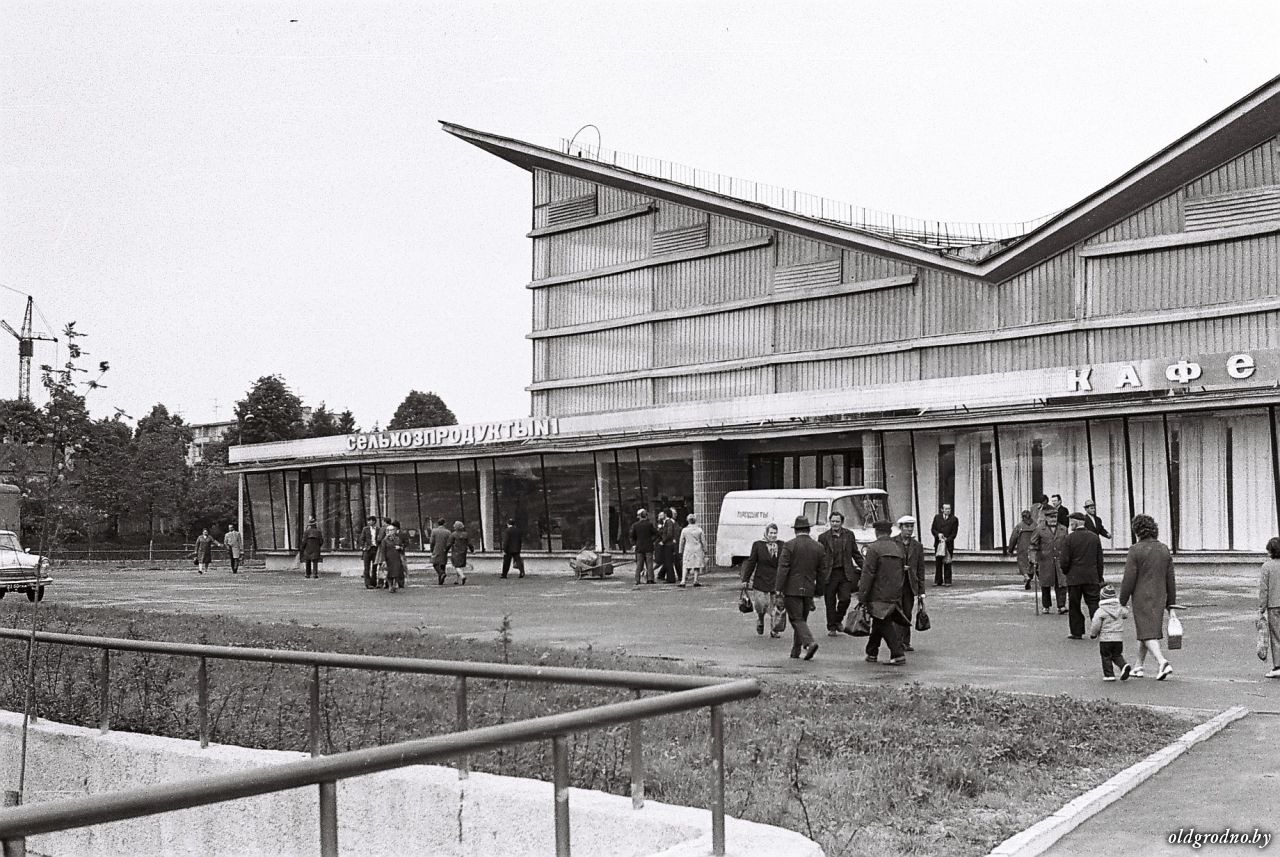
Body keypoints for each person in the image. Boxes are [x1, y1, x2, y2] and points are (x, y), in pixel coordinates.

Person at [1119, 514, 1177, 680]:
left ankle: (1162, 662)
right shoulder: (1164, 549)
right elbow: (1170, 579)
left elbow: (1129, 578)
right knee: (1146, 630)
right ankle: (1139, 666)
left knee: (1146, 632)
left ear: (1137, 531)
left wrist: (1122, 602)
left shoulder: (1135, 550)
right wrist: (1171, 604)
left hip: (1141, 596)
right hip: (1159, 595)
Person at [773, 515, 829, 661]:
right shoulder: (818, 547)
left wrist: (778, 589)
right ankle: (796, 651)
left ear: (795, 530)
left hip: (792, 589)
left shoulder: (789, 545)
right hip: (809, 588)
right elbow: (822, 571)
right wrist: (819, 590)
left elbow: (783, 569)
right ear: (808, 529)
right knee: (802, 619)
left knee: (796, 619)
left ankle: (809, 643)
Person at [859, 520, 909, 665]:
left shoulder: (873, 548)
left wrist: (862, 596)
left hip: (877, 593)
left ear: (876, 532)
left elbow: (867, 574)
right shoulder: (898, 549)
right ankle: (871, 652)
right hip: (894, 593)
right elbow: (902, 572)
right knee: (879, 620)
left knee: (883, 622)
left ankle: (898, 654)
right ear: (890, 532)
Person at [818, 511, 863, 636]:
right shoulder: (823, 537)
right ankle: (832, 627)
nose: (835, 524)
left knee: (845, 599)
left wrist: (865, 568)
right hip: (829, 573)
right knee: (830, 602)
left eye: (837, 521)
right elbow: (820, 557)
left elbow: (855, 554)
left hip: (845, 573)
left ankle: (838, 620)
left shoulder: (849, 535)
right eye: (833, 521)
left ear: (842, 522)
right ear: (830, 522)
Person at [1061, 512, 1104, 640]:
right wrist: (1099, 576)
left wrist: (1067, 572)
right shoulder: (1094, 537)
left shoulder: (1069, 538)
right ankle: (1098, 629)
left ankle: (1077, 631)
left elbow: (1064, 560)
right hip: (1091, 577)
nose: (1070, 525)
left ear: (1076, 522)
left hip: (1074, 578)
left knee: (1074, 605)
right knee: (1094, 603)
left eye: (1071, 522)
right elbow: (1099, 559)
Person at [740, 523, 782, 637]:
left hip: (775, 580)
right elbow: (751, 562)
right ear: (766, 533)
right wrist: (745, 579)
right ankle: (760, 619)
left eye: (775, 533)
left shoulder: (781, 545)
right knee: (761, 605)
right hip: (760, 580)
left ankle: (774, 630)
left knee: (775, 606)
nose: (773, 535)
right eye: (771, 533)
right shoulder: (758, 545)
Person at [893, 515, 927, 652]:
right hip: (896, 584)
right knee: (896, 613)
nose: (909, 529)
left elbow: (921, 569)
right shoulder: (893, 542)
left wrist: (921, 591)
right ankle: (897, 641)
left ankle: (906, 642)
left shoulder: (917, 546)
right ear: (900, 527)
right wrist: (900, 568)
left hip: (910, 585)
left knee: (907, 613)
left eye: (911, 526)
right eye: (907, 526)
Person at [1089, 583, 1131, 681]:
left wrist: (1093, 634)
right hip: (1118, 638)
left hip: (1105, 638)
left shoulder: (1100, 611)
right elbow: (1126, 614)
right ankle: (1123, 665)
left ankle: (1109, 674)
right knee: (1117, 655)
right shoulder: (1120, 609)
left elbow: (1096, 624)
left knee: (1106, 656)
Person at [1030, 508, 1068, 613]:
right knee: (1045, 584)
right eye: (1051, 517)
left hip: (1059, 560)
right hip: (1045, 561)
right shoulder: (1039, 529)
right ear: (1046, 518)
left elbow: (1067, 544)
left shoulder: (1063, 529)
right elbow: (1033, 545)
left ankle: (1061, 606)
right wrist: (1033, 558)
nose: (1053, 519)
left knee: (1061, 583)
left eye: (1055, 517)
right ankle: (1046, 606)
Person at [1258, 537, 1280, 678]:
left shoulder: (1267, 567)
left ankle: (1278, 666)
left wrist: (1262, 608)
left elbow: (1264, 589)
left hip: (1274, 605)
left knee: (1276, 636)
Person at [1007, 510, 1037, 590]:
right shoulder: (1036, 525)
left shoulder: (1019, 526)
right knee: (1031, 563)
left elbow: (1013, 538)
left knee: (1022, 563)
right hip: (1033, 548)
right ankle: (1029, 576)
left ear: (1023, 517)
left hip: (1022, 548)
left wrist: (1010, 550)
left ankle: (1026, 576)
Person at [930, 503, 958, 587]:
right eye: (946, 509)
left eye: (949, 509)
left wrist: (947, 539)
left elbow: (954, 533)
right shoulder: (937, 518)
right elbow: (933, 529)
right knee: (938, 562)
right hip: (938, 543)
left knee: (947, 562)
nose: (948, 511)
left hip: (948, 544)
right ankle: (938, 580)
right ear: (942, 510)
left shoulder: (954, 519)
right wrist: (938, 535)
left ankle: (947, 581)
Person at [376, 520, 406, 593]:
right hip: (388, 557)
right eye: (389, 530)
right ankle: (390, 585)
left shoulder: (397, 538)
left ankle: (395, 584)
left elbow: (402, 546)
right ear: (387, 531)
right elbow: (383, 550)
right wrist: (383, 560)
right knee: (389, 573)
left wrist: (400, 547)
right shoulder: (385, 540)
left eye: (392, 530)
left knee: (396, 572)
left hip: (396, 557)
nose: (391, 532)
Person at [678, 513, 707, 588]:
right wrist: (705, 549)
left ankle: (683, 581)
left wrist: (680, 550)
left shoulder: (684, 530)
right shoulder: (699, 530)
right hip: (698, 548)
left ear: (688, 521)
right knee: (697, 565)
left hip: (688, 548)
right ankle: (695, 580)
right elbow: (703, 541)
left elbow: (681, 541)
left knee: (686, 564)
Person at [630, 509, 656, 586]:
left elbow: (632, 536)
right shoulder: (649, 524)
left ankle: (637, 579)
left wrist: (634, 544)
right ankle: (650, 579)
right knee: (649, 564)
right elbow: (656, 533)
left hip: (639, 547)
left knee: (639, 564)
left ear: (639, 516)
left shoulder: (635, 525)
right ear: (646, 516)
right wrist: (652, 540)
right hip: (648, 546)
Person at [359, 516, 383, 589]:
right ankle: (368, 584)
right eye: (368, 521)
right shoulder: (365, 529)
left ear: (374, 521)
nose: (369, 522)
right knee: (367, 567)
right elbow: (362, 538)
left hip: (375, 549)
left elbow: (381, 539)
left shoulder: (378, 529)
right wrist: (363, 547)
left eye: (370, 521)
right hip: (367, 550)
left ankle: (374, 583)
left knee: (375, 567)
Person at [447, 521, 472, 585]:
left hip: (456, 551)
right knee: (459, 566)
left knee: (456, 566)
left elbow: (449, 544)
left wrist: (445, 550)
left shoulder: (453, 534)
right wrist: (472, 550)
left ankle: (462, 576)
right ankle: (457, 580)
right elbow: (469, 544)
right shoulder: (466, 534)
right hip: (463, 552)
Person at [430, 517, 451, 585]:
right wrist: (447, 549)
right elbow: (449, 542)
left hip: (436, 548)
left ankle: (441, 574)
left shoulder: (434, 531)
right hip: (444, 549)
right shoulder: (448, 532)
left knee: (435, 563)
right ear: (444, 523)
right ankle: (441, 580)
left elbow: (432, 541)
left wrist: (431, 549)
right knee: (442, 563)